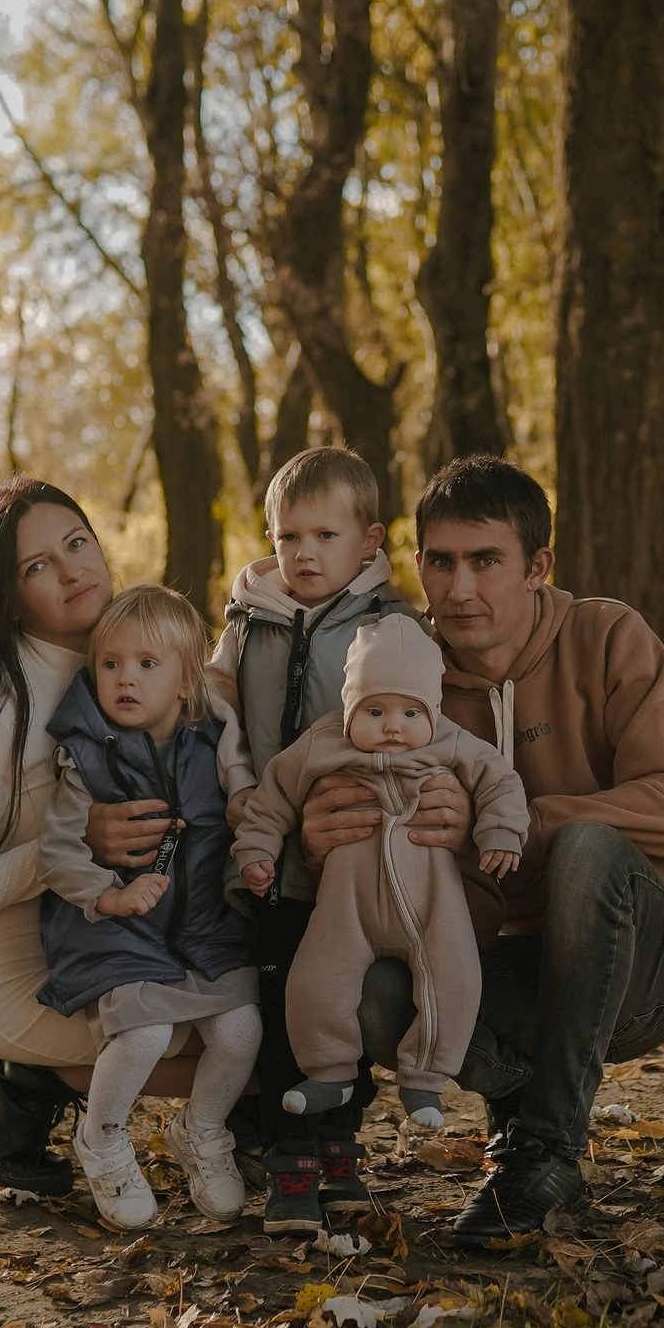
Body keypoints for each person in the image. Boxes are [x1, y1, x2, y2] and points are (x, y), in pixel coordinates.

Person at [298, 456, 664, 1247]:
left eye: (486, 560)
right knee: (376, 993)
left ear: (537, 567)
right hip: (491, 969)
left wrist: (518, 821)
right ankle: (522, 1109)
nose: (459, 589)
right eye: (441, 561)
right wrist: (323, 837)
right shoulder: (398, 673)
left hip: (638, 969)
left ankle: (547, 1149)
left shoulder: (606, 635)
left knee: (588, 848)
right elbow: (357, 829)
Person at [0, 479, 208, 1197]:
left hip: (118, 935)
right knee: (219, 1046)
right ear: (6, 597)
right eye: (37, 565)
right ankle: (18, 1086)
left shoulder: (132, 654)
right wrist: (66, 845)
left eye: (77, 543)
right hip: (17, 968)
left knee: (249, 1016)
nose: (74, 569)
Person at [204, 447, 431, 1233]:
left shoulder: (389, 627)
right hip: (266, 851)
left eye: (324, 536)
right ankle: (284, 1159)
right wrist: (241, 801)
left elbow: (419, 730)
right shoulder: (246, 622)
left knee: (340, 1005)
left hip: (354, 858)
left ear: (368, 542)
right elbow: (222, 719)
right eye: (287, 535)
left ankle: (340, 1148)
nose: (302, 553)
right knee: (276, 1000)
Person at [233, 616, 526, 1133]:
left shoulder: (452, 742)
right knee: (314, 982)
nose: (393, 725)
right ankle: (330, 1072)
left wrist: (501, 832)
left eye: (411, 711)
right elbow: (271, 798)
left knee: (453, 980)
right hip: (347, 907)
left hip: (434, 903)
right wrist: (257, 849)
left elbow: (500, 782)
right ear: (349, 709)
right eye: (374, 710)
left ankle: (425, 1076)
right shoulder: (322, 744)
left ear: (431, 711)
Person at [33, 585, 260, 1226]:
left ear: (187, 683)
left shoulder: (213, 741)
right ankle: (101, 1138)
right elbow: (57, 853)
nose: (124, 678)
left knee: (243, 1030)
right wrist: (108, 895)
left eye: (146, 664)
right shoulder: (87, 756)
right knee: (147, 1033)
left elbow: (242, 796)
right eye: (110, 664)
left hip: (203, 924)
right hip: (116, 928)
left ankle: (201, 1129)